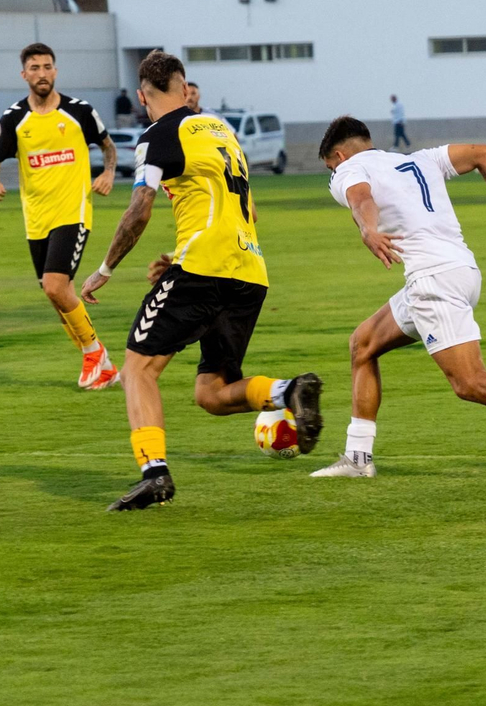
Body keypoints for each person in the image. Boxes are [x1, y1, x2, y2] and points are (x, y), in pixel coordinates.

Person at [80, 50, 323, 512]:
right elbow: (240, 209)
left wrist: (106, 268)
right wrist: (177, 253)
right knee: (210, 392)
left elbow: (140, 208)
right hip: (249, 270)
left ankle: (154, 474)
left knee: (138, 368)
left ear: (141, 96)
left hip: (203, 269)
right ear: (183, 84)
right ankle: (285, 390)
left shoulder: (157, 135)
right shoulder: (220, 131)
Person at [310, 116, 486, 481]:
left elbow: (360, 197)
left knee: (469, 382)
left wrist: (368, 230)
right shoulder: (421, 159)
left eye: (330, 167)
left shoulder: (349, 169)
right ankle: (358, 457)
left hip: (433, 281)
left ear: (339, 155)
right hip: (459, 270)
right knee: (363, 344)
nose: (332, 174)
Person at [0, 42, 121, 391]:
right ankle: (102, 366)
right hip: (36, 218)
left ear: (55, 71)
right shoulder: (15, 118)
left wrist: (107, 173)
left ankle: (93, 352)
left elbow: (108, 146)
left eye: (47, 67)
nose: (41, 74)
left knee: (56, 286)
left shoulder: (79, 111)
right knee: (57, 295)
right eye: (34, 68)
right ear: (24, 74)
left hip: (72, 211)